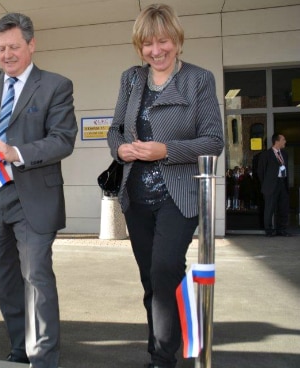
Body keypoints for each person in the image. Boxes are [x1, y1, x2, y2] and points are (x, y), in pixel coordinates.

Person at [0, 12, 77, 368]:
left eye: (14, 47)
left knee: (36, 276)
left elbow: (63, 140)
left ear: (31, 45)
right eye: (1, 48)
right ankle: (20, 347)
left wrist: (16, 152)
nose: (7, 54)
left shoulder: (55, 85)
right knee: (5, 279)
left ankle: (43, 358)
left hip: (34, 198)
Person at [107, 4, 224, 368]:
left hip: (179, 193)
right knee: (151, 280)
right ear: (138, 47)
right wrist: (121, 149)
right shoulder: (131, 79)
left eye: (163, 41)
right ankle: (159, 349)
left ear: (177, 40)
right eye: (147, 44)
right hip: (136, 195)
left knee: (165, 268)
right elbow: (114, 131)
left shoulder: (198, 80)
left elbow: (214, 141)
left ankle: (163, 357)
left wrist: (166, 150)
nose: (156, 51)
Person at [257, 134, 291, 237]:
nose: (285, 141)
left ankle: (281, 229)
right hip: (270, 185)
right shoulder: (266, 155)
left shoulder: (284, 154)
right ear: (277, 141)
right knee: (269, 208)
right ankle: (269, 230)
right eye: (283, 140)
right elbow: (261, 172)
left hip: (282, 183)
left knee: (283, 207)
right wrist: (266, 184)